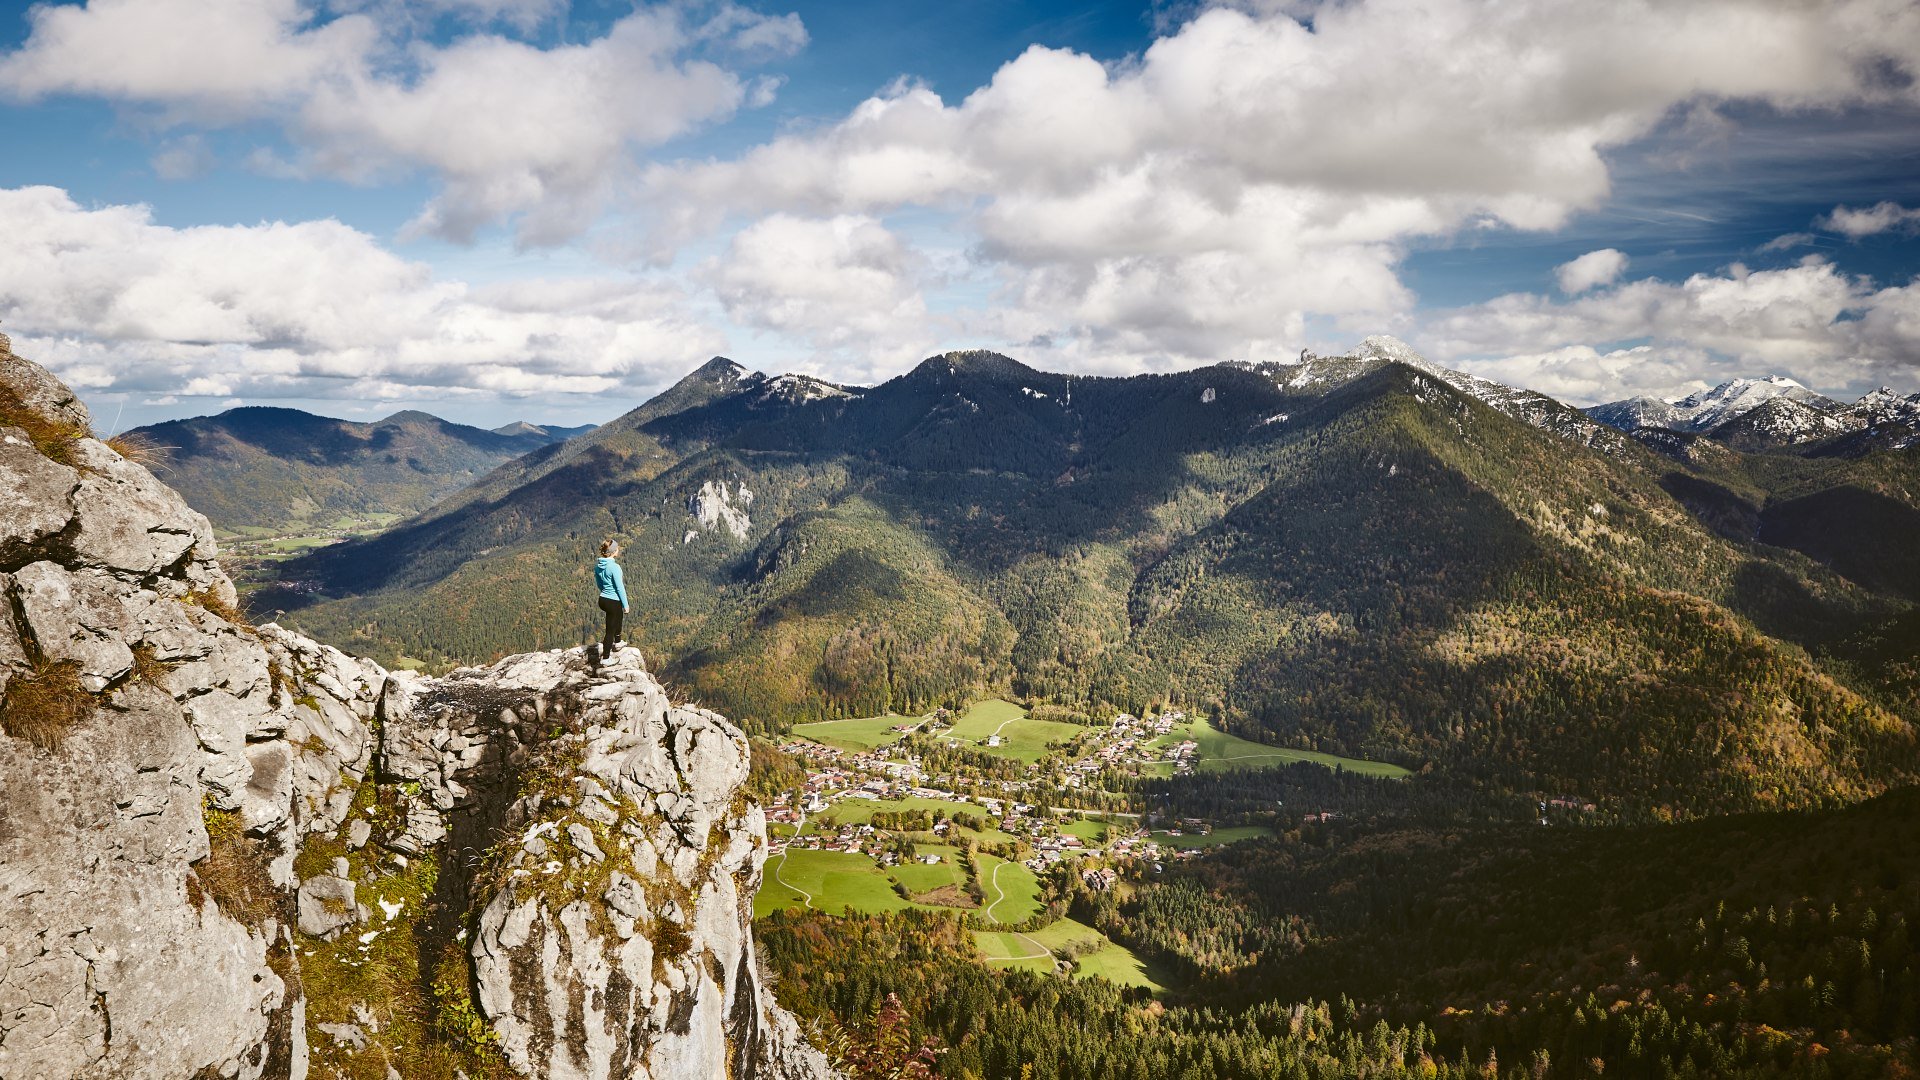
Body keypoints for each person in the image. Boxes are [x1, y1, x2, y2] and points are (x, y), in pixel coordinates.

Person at [594, 539, 630, 656]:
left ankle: (618, 641)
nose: (618, 549)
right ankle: (605, 657)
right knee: (610, 629)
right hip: (612, 601)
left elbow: (599, 584)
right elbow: (620, 588)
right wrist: (625, 604)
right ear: (614, 551)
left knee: (618, 616)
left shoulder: (599, 566)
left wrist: (606, 592)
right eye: (617, 548)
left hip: (603, 599)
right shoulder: (614, 567)